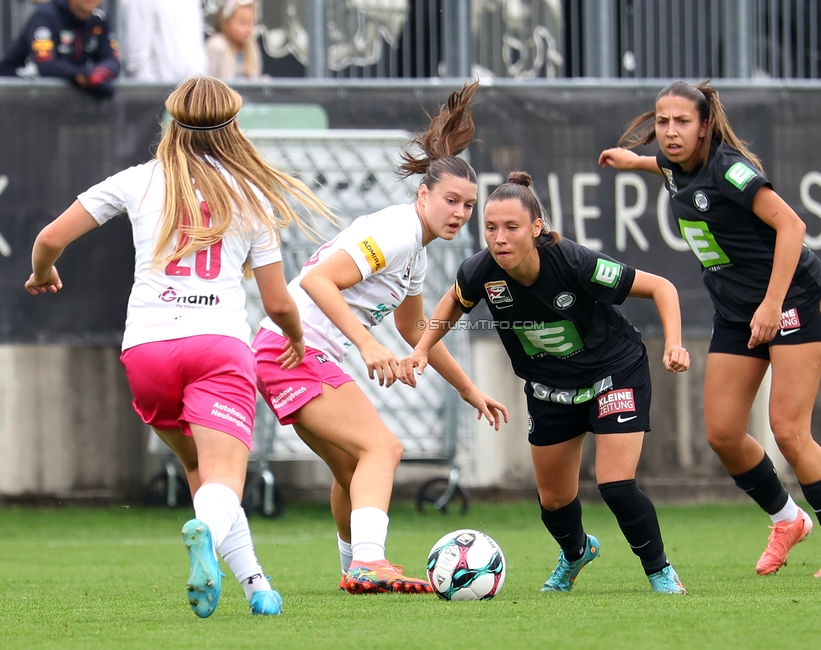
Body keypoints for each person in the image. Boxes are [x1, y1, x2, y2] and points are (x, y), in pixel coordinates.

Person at [25, 77, 334, 617]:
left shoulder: (139, 180)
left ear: (171, 126)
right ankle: (207, 534)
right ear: (233, 128)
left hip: (146, 351)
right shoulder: (252, 196)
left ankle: (257, 585)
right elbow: (279, 302)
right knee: (224, 479)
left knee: (202, 473)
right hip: (217, 347)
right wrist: (296, 336)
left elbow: (49, 238)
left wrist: (42, 273)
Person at [598, 80, 821, 578]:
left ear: (704, 128)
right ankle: (788, 520)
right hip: (738, 310)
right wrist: (630, 161)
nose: (670, 132)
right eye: (662, 121)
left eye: (682, 122)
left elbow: (793, 228)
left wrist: (772, 303)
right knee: (722, 432)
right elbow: (661, 164)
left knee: (788, 430)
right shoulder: (675, 165)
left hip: (791, 302)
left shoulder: (731, 171)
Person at [252, 80, 507, 595]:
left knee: (352, 468)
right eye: (450, 201)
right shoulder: (396, 233)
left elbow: (413, 329)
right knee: (383, 447)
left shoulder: (416, 251)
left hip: (284, 353)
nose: (459, 213)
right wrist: (368, 346)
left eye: (467, 205)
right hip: (292, 351)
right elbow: (319, 280)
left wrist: (466, 388)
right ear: (423, 195)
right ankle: (369, 561)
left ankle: (354, 569)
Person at [400, 172, 691, 595]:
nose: (499, 238)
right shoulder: (481, 271)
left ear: (537, 229)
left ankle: (659, 570)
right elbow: (454, 300)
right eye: (491, 228)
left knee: (616, 485)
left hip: (613, 373)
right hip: (549, 388)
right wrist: (423, 346)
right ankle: (575, 553)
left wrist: (675, 344)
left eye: (512, 227)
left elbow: (662, 287)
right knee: (554, 502)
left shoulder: (574, 262)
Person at [0, 0, 120, 98]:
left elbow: (112, 61)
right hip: (10, 96)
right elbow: (45, 64)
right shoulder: (46, 15)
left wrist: (98, 75)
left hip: (50, 102)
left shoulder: (100, 18)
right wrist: (81, 76)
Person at [121, 0, 208, 82]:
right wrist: (152, 93)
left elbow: (196, 48)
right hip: (159, 92)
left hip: (191, 88)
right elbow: (137, 59)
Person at [206, 0, 263, 81]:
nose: (249, 29)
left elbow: (255, 78)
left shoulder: (252, 46)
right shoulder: (216, 45)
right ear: (227, 21)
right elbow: (207, 81)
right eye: (243, 23)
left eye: (252, 23)